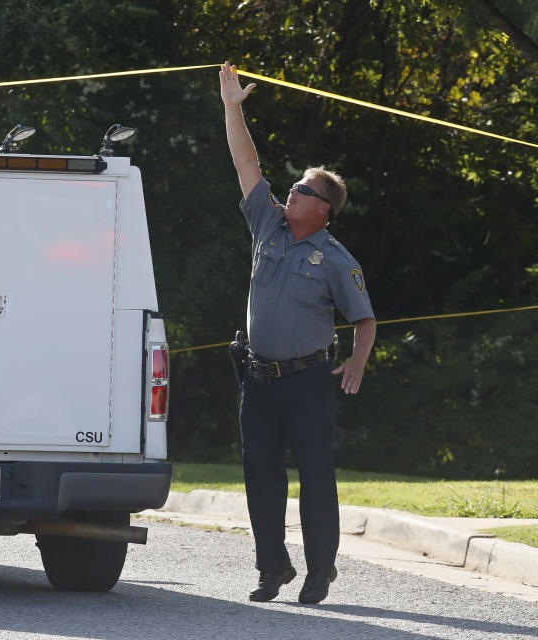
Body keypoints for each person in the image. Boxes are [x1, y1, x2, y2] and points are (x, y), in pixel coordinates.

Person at [219, 61, 377, 604]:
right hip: (259, 380)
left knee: (315, 480)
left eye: (301, 189)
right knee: (261, 476)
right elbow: (245, 161)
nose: (289, 191)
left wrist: (356, 361)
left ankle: (318, 572)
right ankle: (273, 569)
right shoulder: (268, 223)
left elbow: (365, 317)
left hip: (309, 381)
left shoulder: (336, 259)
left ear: (323, 209)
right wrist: (232, 107)